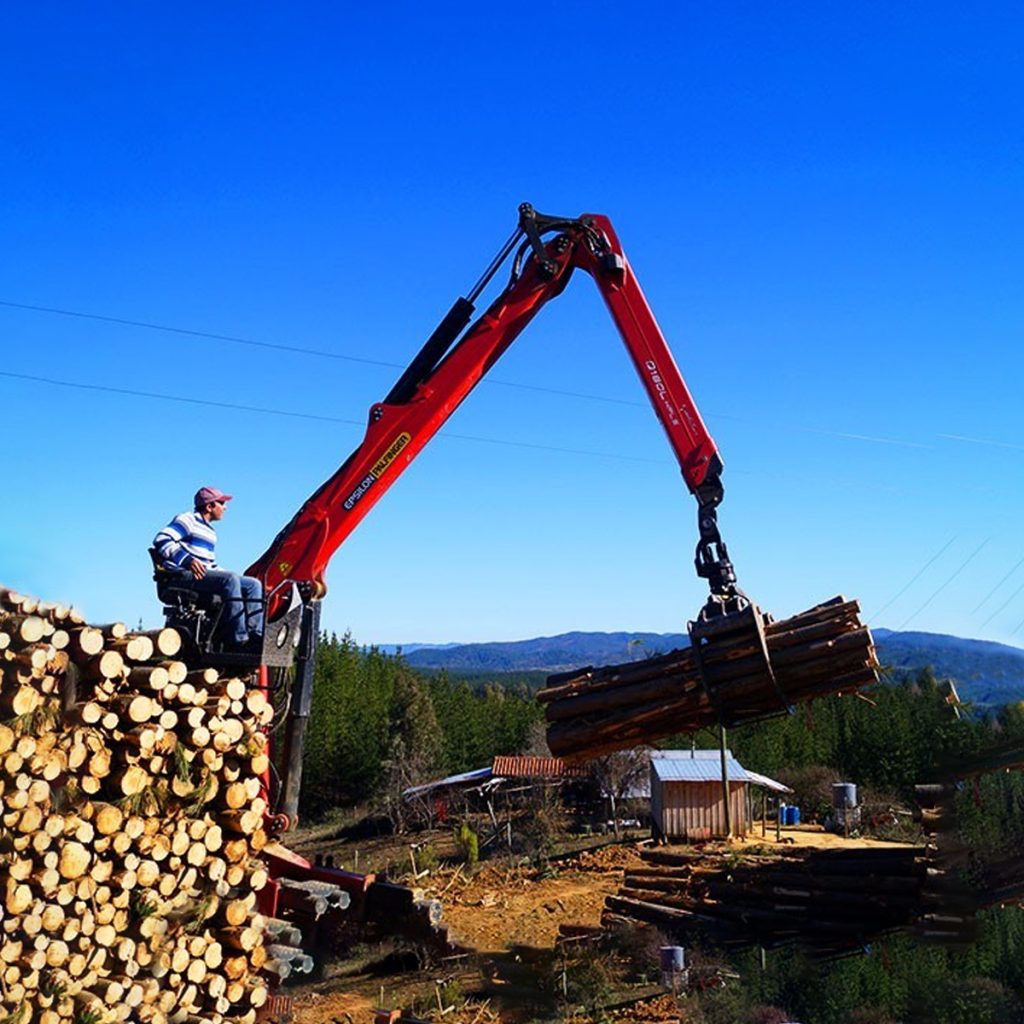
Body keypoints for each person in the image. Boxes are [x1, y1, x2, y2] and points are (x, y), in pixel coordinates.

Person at [153, 486, 263, 650]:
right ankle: (238, 639)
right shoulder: (187, 520)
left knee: (253, 584)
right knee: (230, 579)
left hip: (199, 576)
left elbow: (210, 566)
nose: (225, 507)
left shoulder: (210, 532)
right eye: (221, 503)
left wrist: (233, 578)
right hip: (180, 577)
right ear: (209, 506)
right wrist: (187, 560)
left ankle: (255, 636)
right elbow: (162, 540)